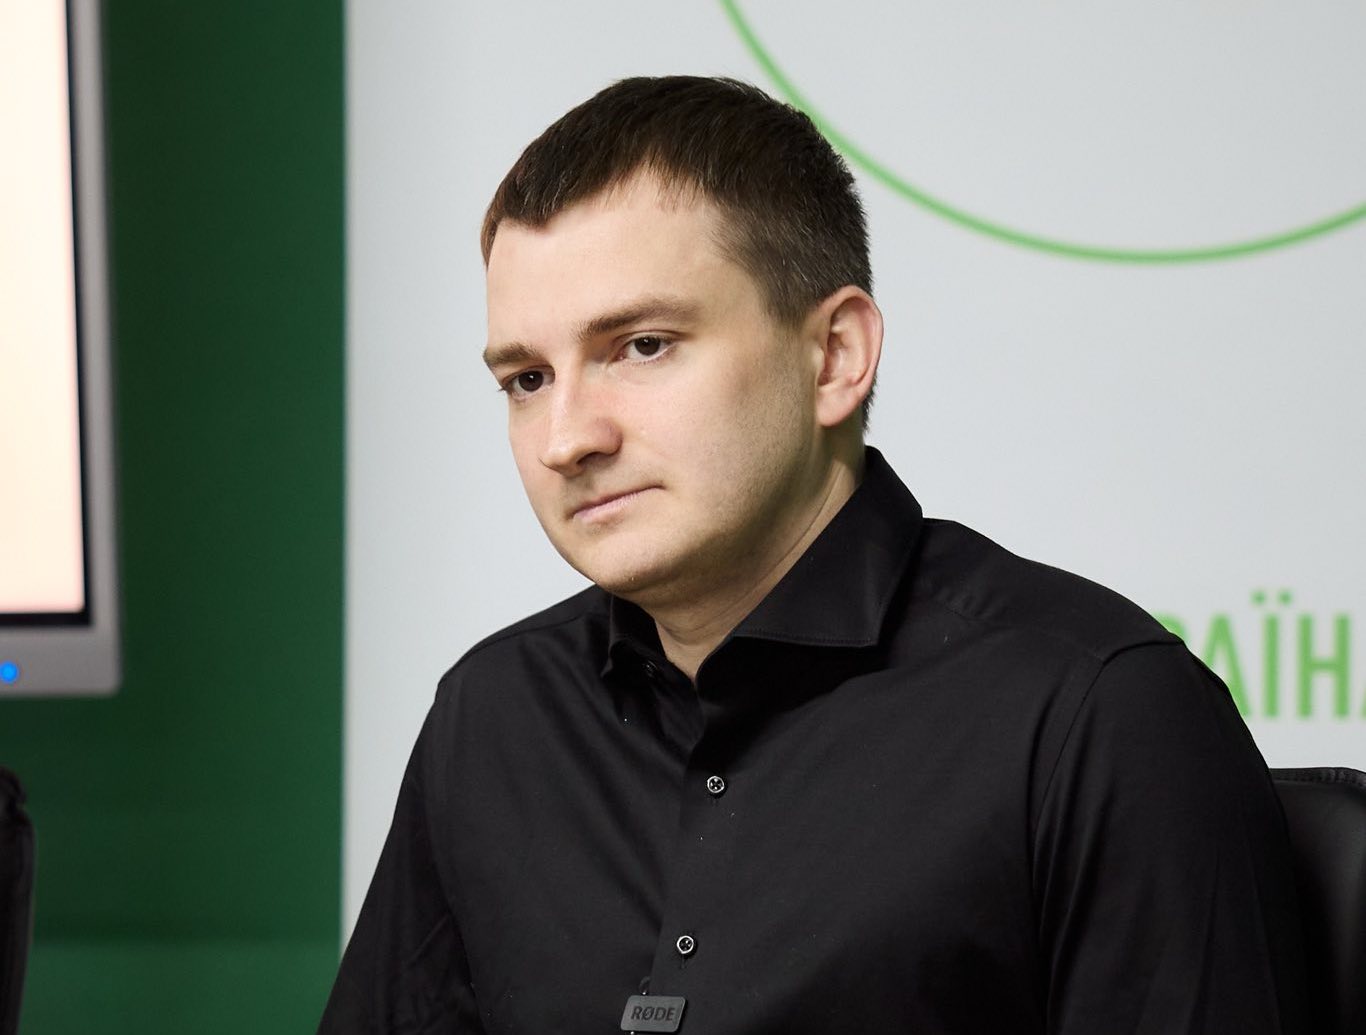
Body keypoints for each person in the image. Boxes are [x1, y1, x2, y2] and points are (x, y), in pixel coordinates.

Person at [320, 76, 1307, 1034]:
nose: (567, 438)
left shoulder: (1095, 712)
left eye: (642, 345)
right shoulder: (491, 718)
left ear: (835, 355)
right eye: (526, 379)